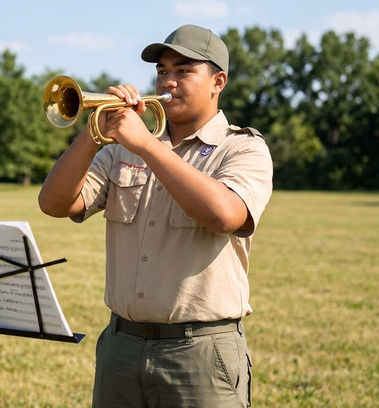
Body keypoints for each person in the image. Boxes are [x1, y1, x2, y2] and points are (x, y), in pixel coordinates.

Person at [38, 24, 273, 407]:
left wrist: (146, 143)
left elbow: (224, 215)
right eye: (163, 71)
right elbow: (54, 203)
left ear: (218, 81)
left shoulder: (242, 147)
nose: (169, 81)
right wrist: (94, 134)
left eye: (183, 70)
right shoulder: (121, 150)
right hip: (121, 345)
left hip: (200, 353)